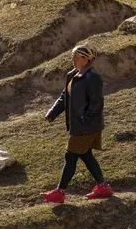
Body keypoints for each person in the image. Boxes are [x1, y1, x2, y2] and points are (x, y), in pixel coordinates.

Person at [40, 43, 114, 203]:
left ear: (86, 59)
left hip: (87, 126)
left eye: (76, 57)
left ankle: (60, 192)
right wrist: (52, 112)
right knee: (85, 154)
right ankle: (103, 186)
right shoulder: (73, 74)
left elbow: (96, 103)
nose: (72, 59)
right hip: (79, 124)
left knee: (70, 155)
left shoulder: (93, 77)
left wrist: (85, 119)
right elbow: (64, 96)